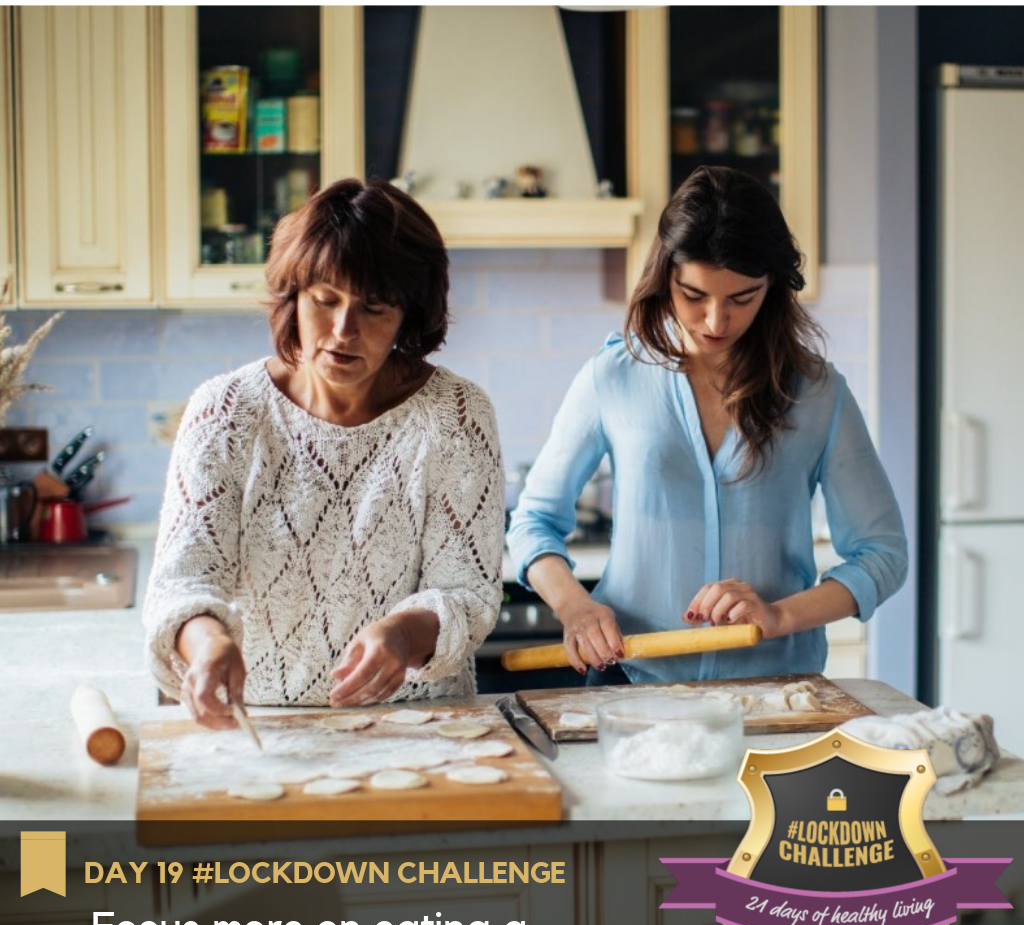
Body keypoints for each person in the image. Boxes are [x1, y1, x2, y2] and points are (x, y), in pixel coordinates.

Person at [507, 166, 907, 684]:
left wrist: (780, 616)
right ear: (664, 276)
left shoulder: (818, 391)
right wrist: (573, 607)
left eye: (742, 298)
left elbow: (883, 554)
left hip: (776, 693)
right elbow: (533, 521)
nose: (716, 321)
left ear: (773, 288)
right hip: (632, 686)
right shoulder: (612, 377)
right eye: (694, 295)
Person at [144, 178, 505, 729]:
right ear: (294, 296)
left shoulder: (456, 415)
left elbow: (469, 592)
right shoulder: (226, 412)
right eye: (325, 299)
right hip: (259, 727)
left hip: (417, 728)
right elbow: (182, 581)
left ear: (409, 314)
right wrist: (209, 643)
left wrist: (404, 634)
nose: (343, 331)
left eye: (374, 308)